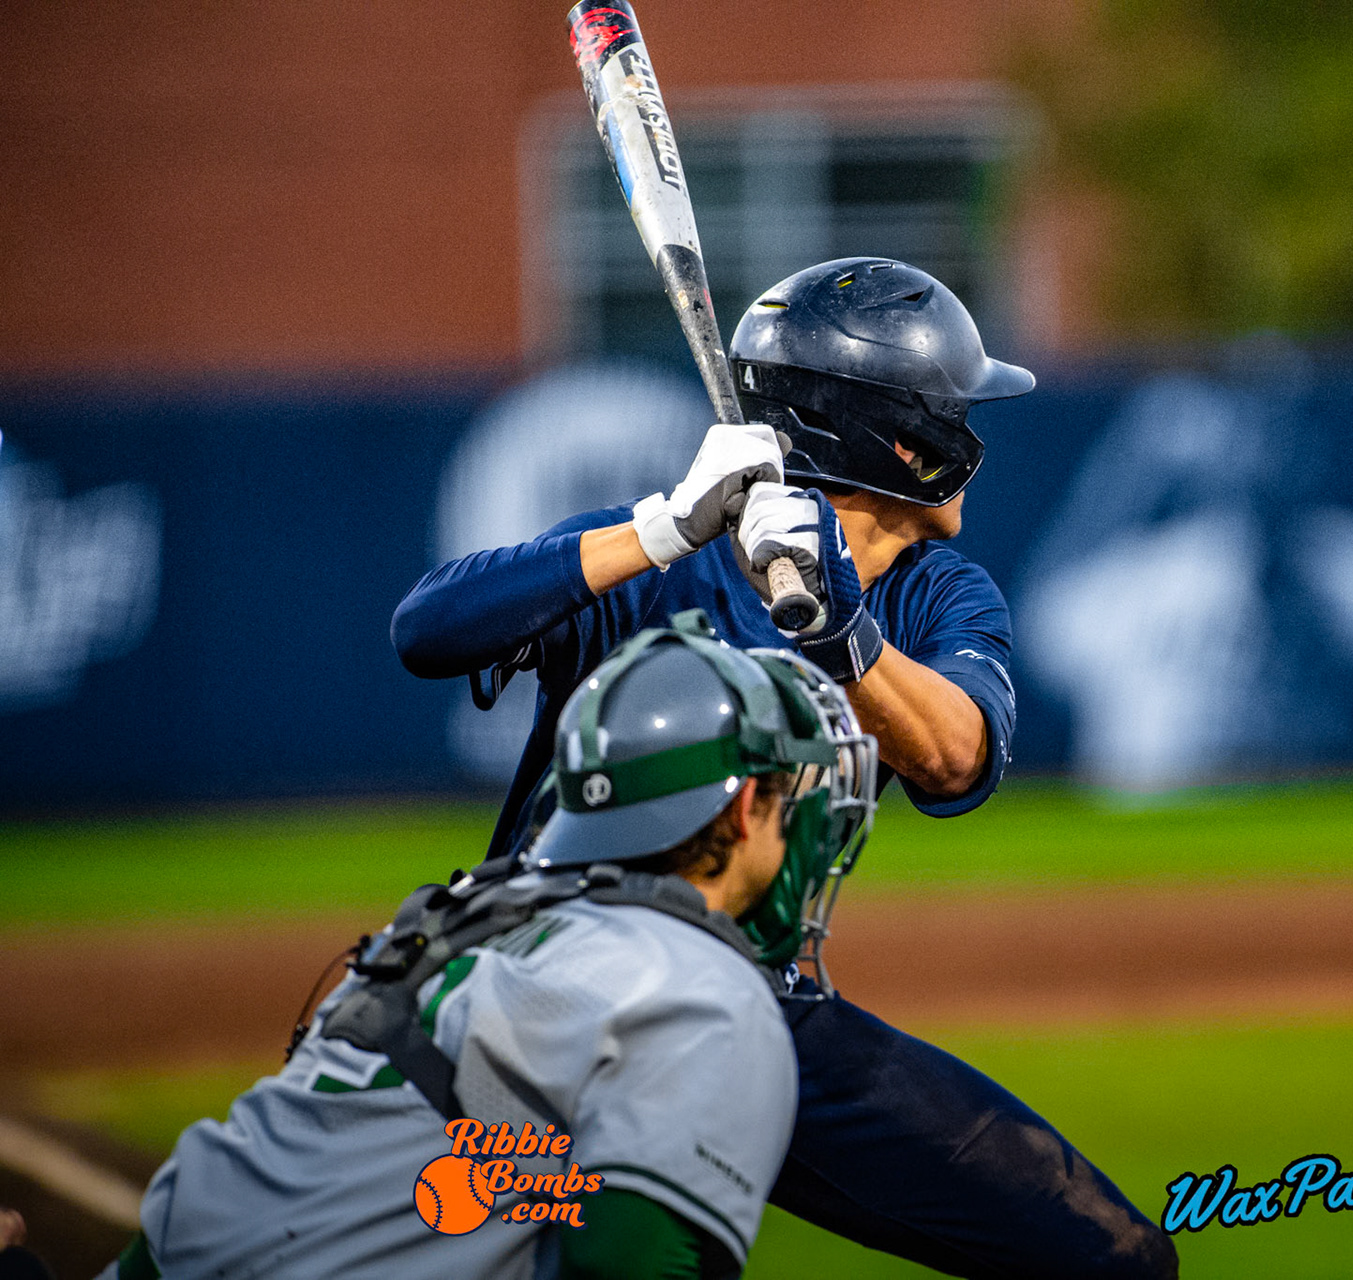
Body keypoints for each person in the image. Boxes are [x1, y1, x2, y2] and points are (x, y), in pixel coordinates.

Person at [391, 258, 1179, 1278]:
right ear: (905, 441)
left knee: (1114, 1259)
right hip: (552, 1013)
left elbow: (955, 757)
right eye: (956, 416)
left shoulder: (940, 590)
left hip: (759, 1007)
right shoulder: (658, 551)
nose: (975, 448)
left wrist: (838, 629)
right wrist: (661, 527)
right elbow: (428, 629)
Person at [105, 618, 877, 1280]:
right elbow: (626, 1262)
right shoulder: (703, 990)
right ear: (745, 811)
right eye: (786, 795)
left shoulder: (470, 912)